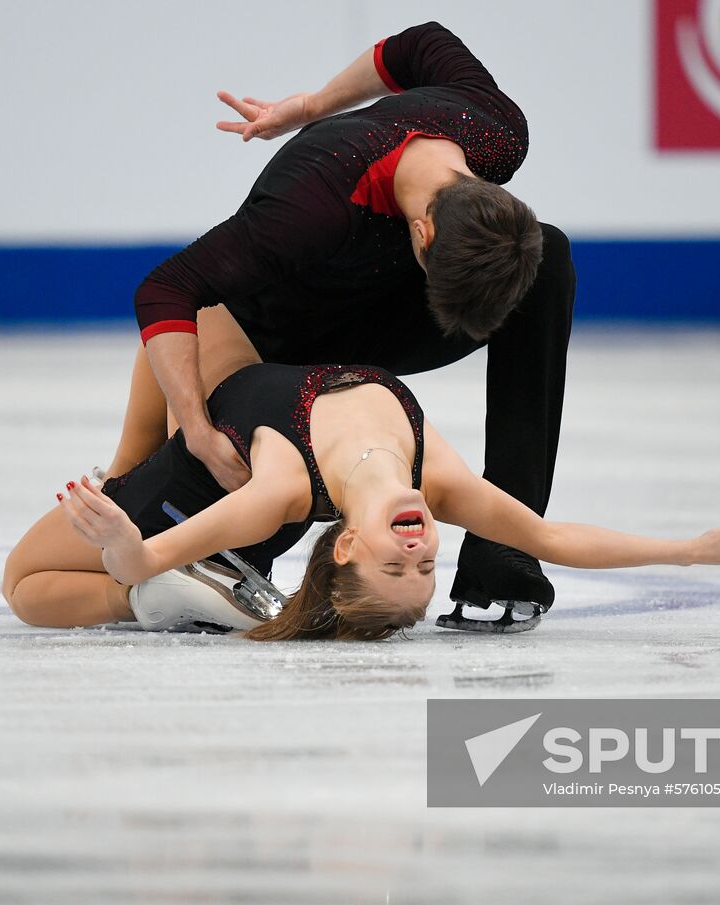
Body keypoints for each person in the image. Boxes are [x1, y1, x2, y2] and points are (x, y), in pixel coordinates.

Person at [112, 21, 577, 626]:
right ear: (426, 233)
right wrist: (199, 432)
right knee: (243, 511)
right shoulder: (310, 204)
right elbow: (166, 289)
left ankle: (505, 552)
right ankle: (225, 546)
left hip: (387, 311)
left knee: (549, 257)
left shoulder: (495, 133)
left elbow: (418, 42)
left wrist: (312, 103)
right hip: (286, 341)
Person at [3, 338, 720, 641]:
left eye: (392, 566)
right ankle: (202, 578)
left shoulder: (276, 491)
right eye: (426, 569)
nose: (418, 552)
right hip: (203, 457)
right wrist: (691, 549)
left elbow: (137, 555)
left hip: (173, 502)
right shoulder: (432, 476)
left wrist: (126, 543)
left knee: (25, 587)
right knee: (197, 334)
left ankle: (163, 602)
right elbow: (552, 539)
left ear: (344, 542)